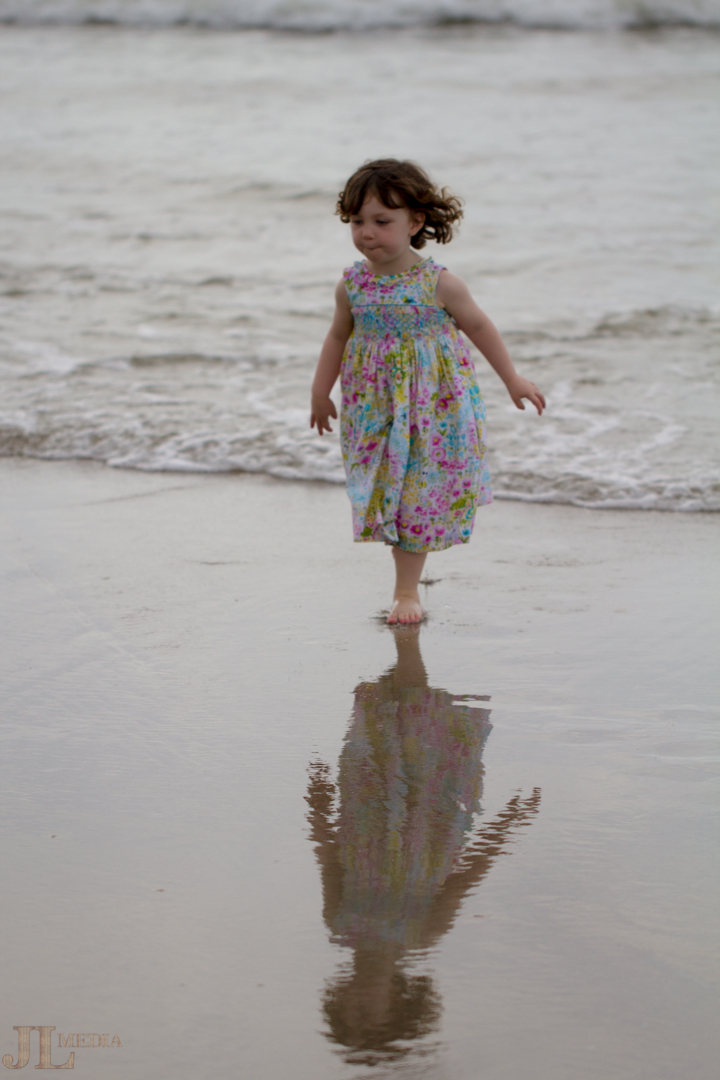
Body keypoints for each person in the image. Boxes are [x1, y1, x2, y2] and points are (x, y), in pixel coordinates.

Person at [310, 158, 545, 625]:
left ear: (415, 222)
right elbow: (337, 337)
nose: (366, 233)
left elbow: (479, 326)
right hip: (375, 410)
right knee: (389, 492)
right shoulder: (352, 285)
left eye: (381, 221)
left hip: (434, 408)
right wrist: (320, 391)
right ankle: (407, 580)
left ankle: (406, 591)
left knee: (417, 493)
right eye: (357, 221)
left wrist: (512, 378)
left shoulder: (440, 284)